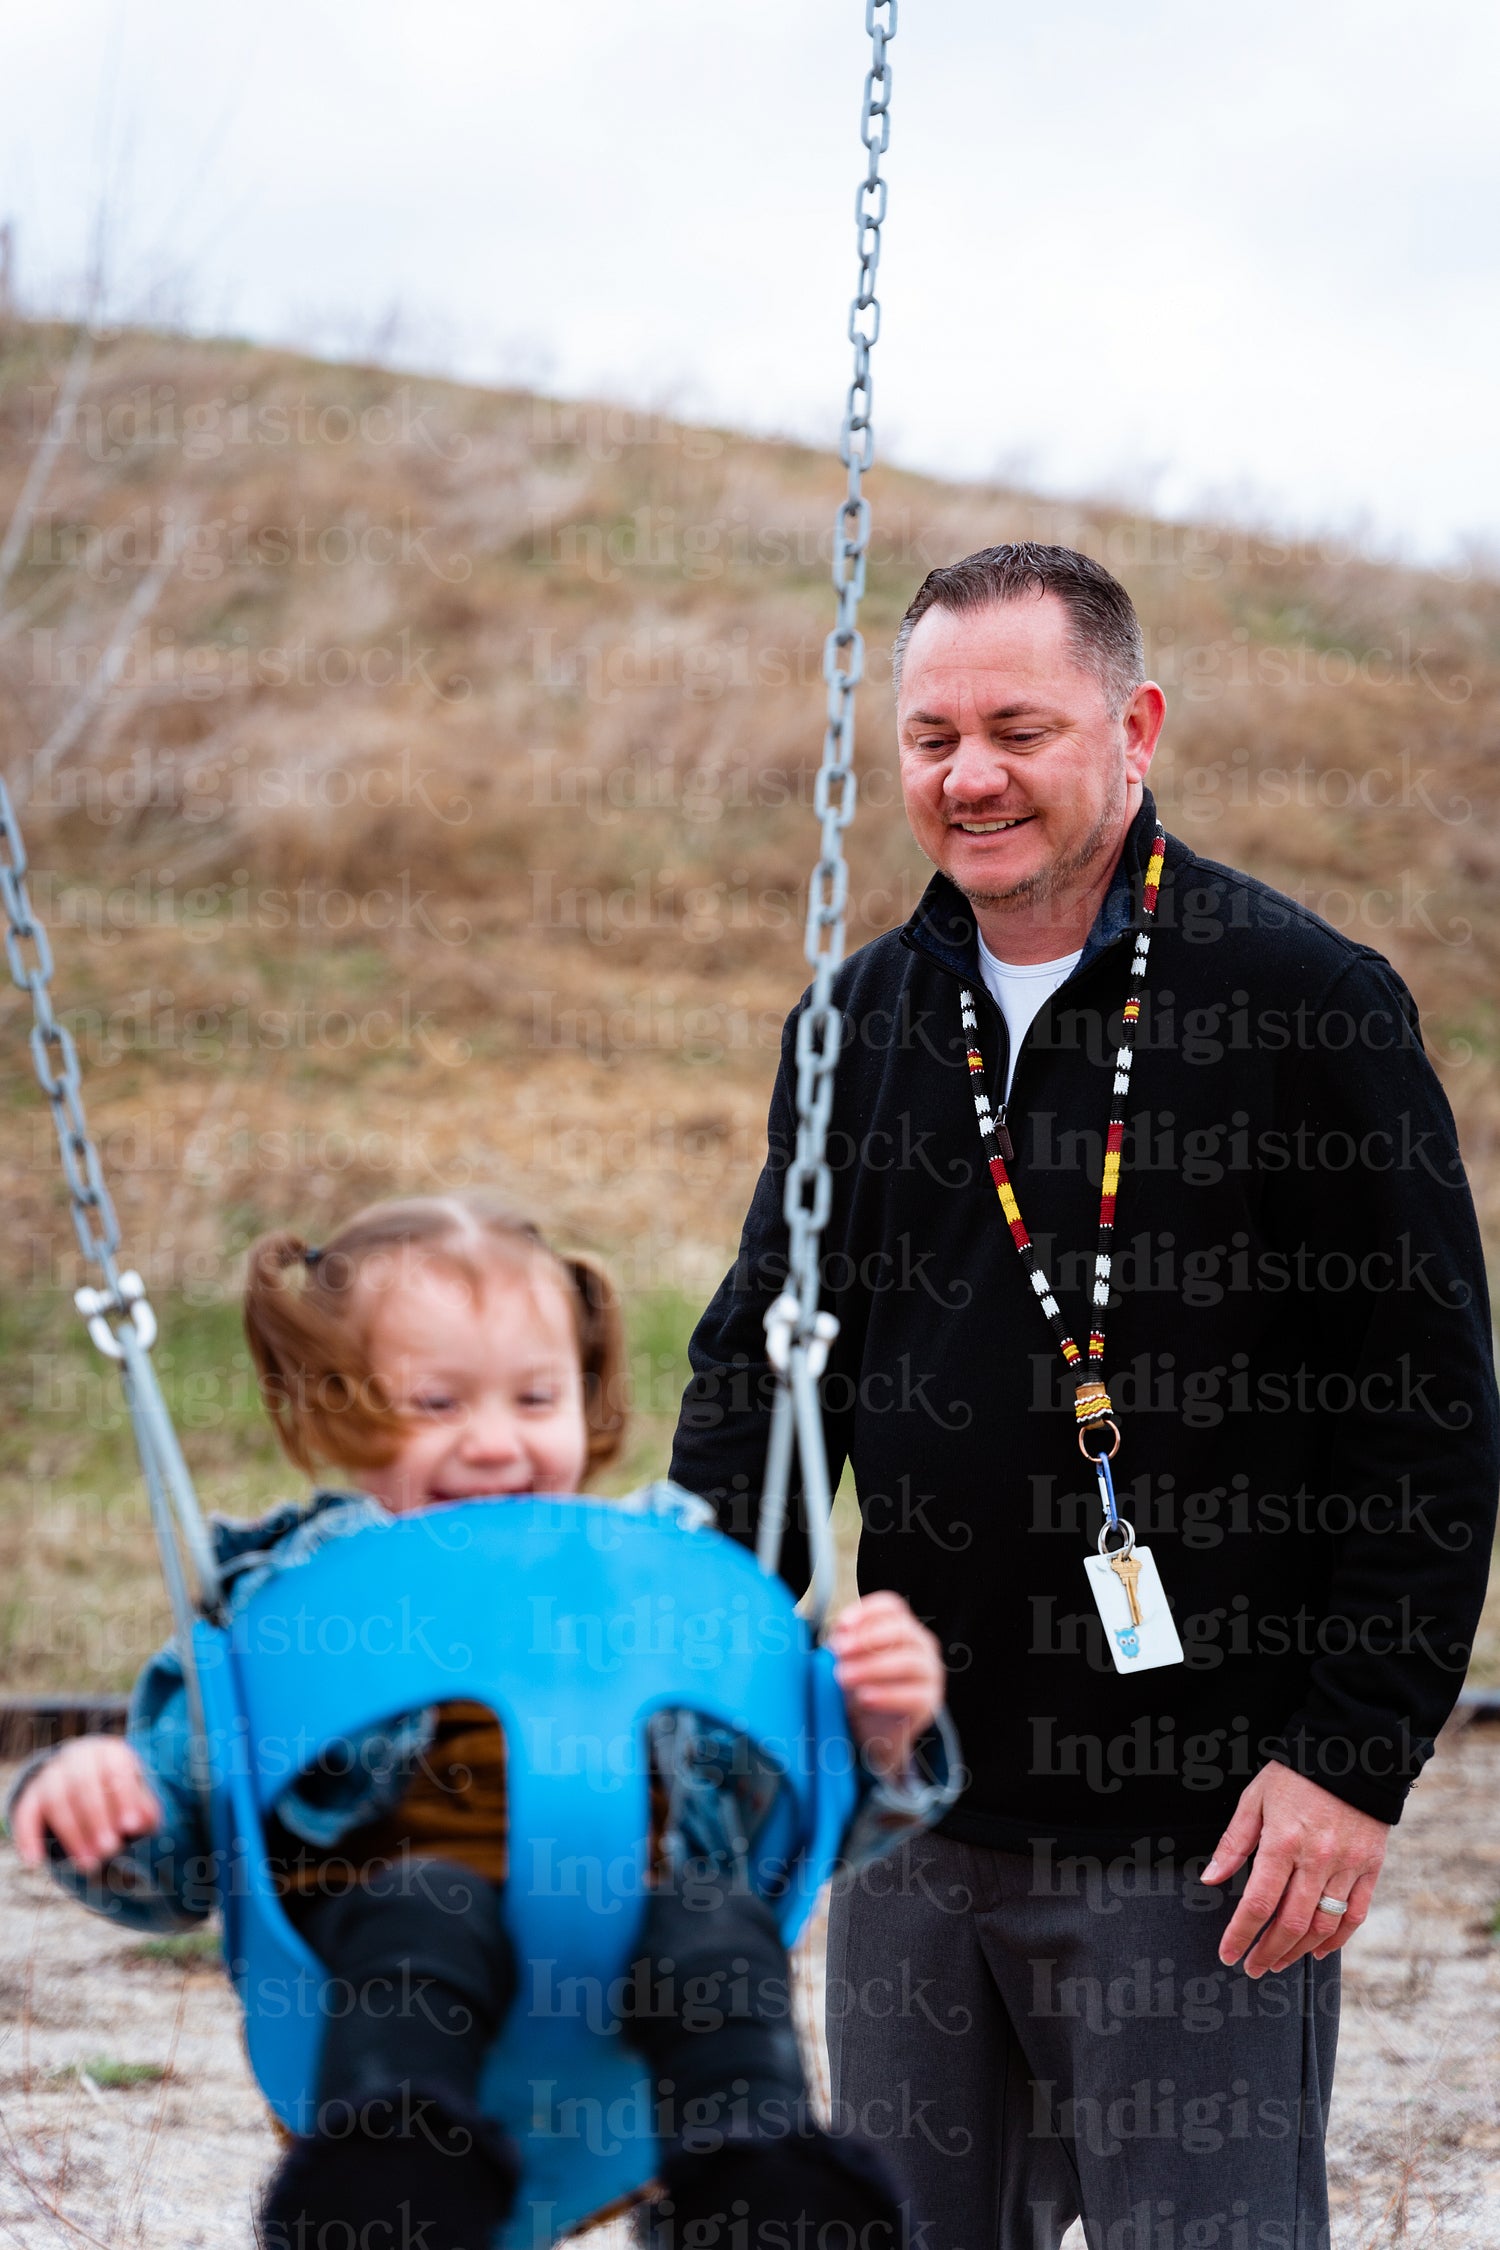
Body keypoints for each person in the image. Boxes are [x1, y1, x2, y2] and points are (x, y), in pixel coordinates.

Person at [670, 544, 1500, 2249]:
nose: (968, 776)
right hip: (913, 1807)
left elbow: (1426, 1411)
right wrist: (701, 1673)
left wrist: (1348, 1759)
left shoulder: (1304, 1004)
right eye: (930, 736)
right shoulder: (859, 1021)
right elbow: (764, 1369)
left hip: (1195, 1832)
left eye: (1019, 728)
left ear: (1135, 728)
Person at [8, 1192, 955, 2250]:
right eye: (437, 1404)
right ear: (335, 1407)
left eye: (536, 1396)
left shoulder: (657, 1572)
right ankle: (393, 2177)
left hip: (629, 1962)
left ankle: (756, 2183)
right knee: (425, 1903)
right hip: (382, 1973)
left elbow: (789, 1814)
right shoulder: (292, 1596)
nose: (496, 1442)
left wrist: (877, 1727)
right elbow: (189, 1844)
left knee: (715, 1927)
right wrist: (110, 1800)